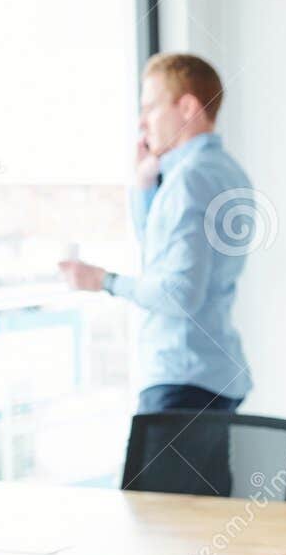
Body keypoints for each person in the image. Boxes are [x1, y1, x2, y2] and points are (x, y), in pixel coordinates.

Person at [60, 53, 256, 495]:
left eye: (149, 107)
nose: (141, 122)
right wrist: (144, 188)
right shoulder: (225, 172)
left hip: (180, 382)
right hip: (210, 376)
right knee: (201, 530)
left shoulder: (189, 180)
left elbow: (178, 292)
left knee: (153, 531)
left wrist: (103, 281)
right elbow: (167, 258)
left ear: (186, 108)